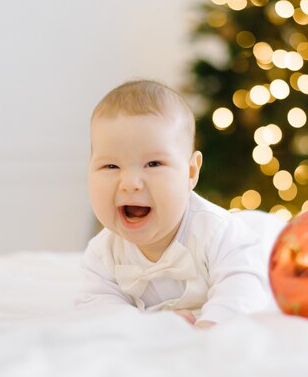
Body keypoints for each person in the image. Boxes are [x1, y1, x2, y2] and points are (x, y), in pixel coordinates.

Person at [75, 79, 275, 329]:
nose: (130, 183)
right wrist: (151, 326)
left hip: (273, 242)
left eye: (154, 164)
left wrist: (210, 326)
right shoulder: (102, 254)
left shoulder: (218, 234)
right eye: (111, 166)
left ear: (191, 172)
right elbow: (97, 310)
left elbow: (244, 286)